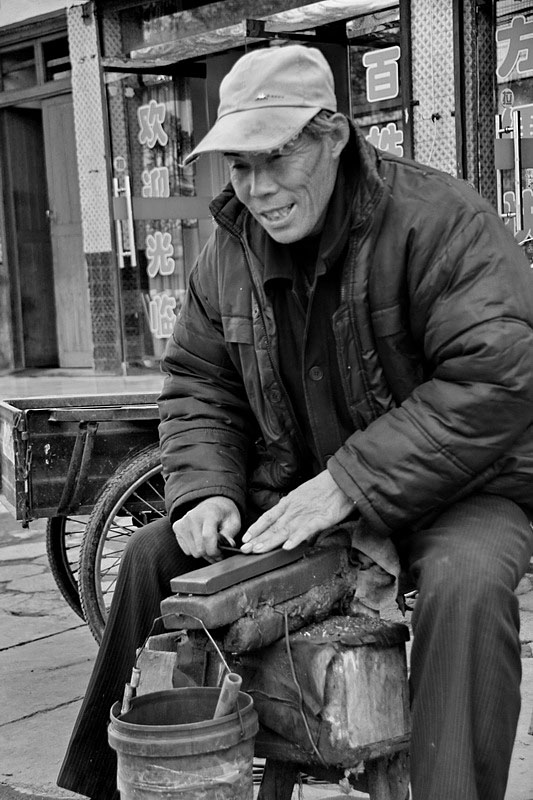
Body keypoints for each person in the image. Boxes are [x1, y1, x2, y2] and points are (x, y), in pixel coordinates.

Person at [58, 44, 533, 800]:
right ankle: (113, 785)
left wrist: (348, 482)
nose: (258, 189)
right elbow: (199, 380)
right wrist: (207, 489)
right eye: (240, 166)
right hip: (297, 493)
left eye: (277, 157)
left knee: (468, 584)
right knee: (154, 554)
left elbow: (496, 377)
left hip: (461, 487)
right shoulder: (228, 251)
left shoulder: (441, 221)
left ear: (333, 136)